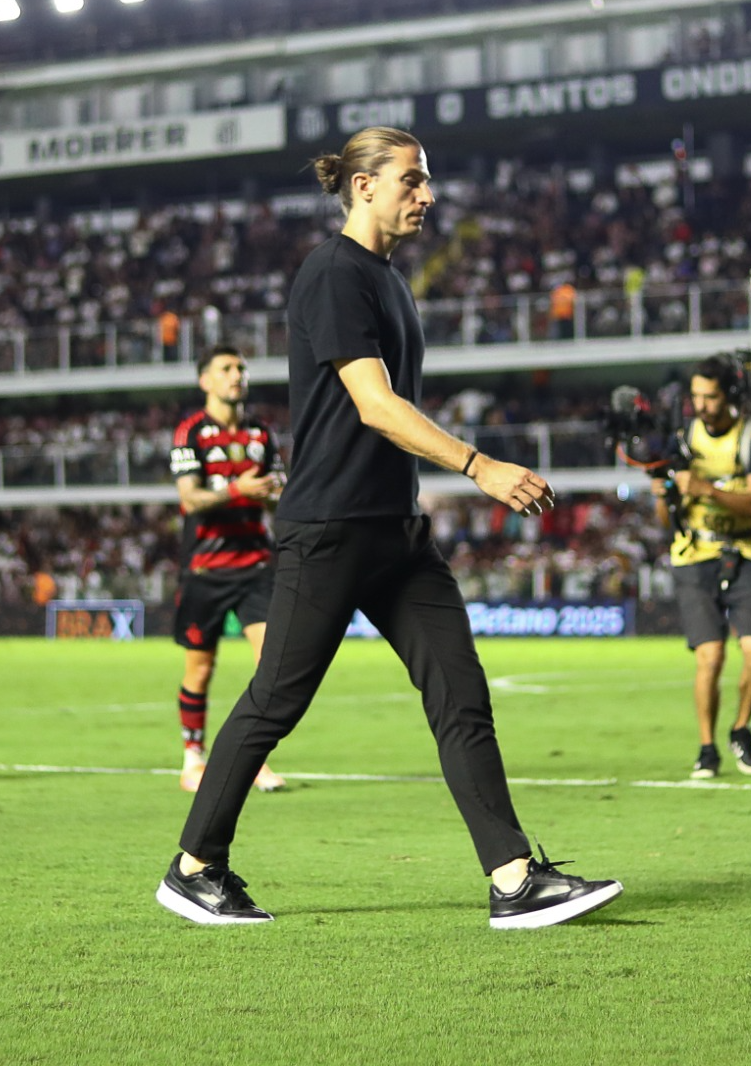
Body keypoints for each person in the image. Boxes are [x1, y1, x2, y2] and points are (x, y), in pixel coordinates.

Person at [156, 126, 623, 929]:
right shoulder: (333, 274)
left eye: (426, 181)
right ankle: (196, 867)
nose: (427, 196)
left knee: (461, 694)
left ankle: (514, 879)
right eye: (412, 181)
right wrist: (481, 468)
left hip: (396, 534)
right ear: (364, 186)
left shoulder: (389, 280)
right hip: (330, 528)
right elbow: (376, 407)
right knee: (275, 700)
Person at [651, 354, 751, 780]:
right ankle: (707, 748)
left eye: (711, 396)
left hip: (745, 553)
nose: (701, 405)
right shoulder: (680, 440)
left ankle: (740, 728)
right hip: (693, 556)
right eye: (696, 396)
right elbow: (665, 521)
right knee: (711, 656)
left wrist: (704, 488)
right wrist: (664, 496)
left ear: (731, 395)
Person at [170, 344, 286, 794]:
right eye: (226, 368)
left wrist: (272, 494)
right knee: (200, 668)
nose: (237, 375)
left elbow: (279, 490)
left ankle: (255, 761)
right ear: (206, 381)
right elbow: (190, 498)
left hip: (256, 564)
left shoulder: (261, 433)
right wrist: (239, 489)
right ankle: (193, 759)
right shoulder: (191, 432)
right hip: (206, 567)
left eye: (241, 368)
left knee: (269, 665)